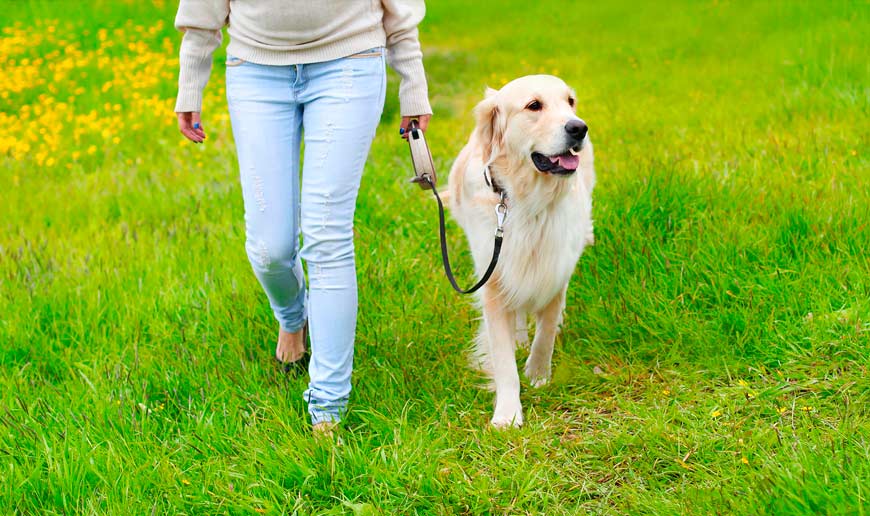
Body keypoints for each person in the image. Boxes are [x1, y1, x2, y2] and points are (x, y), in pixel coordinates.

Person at [173, 0, 432, 434]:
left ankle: (327, 407)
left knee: (327, 235)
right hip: (255, 70)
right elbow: (202, 12)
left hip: (349, 62)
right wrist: (190, 84)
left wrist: (413, 85)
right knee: (268, 248)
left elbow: (401, 12)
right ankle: (293, 318)